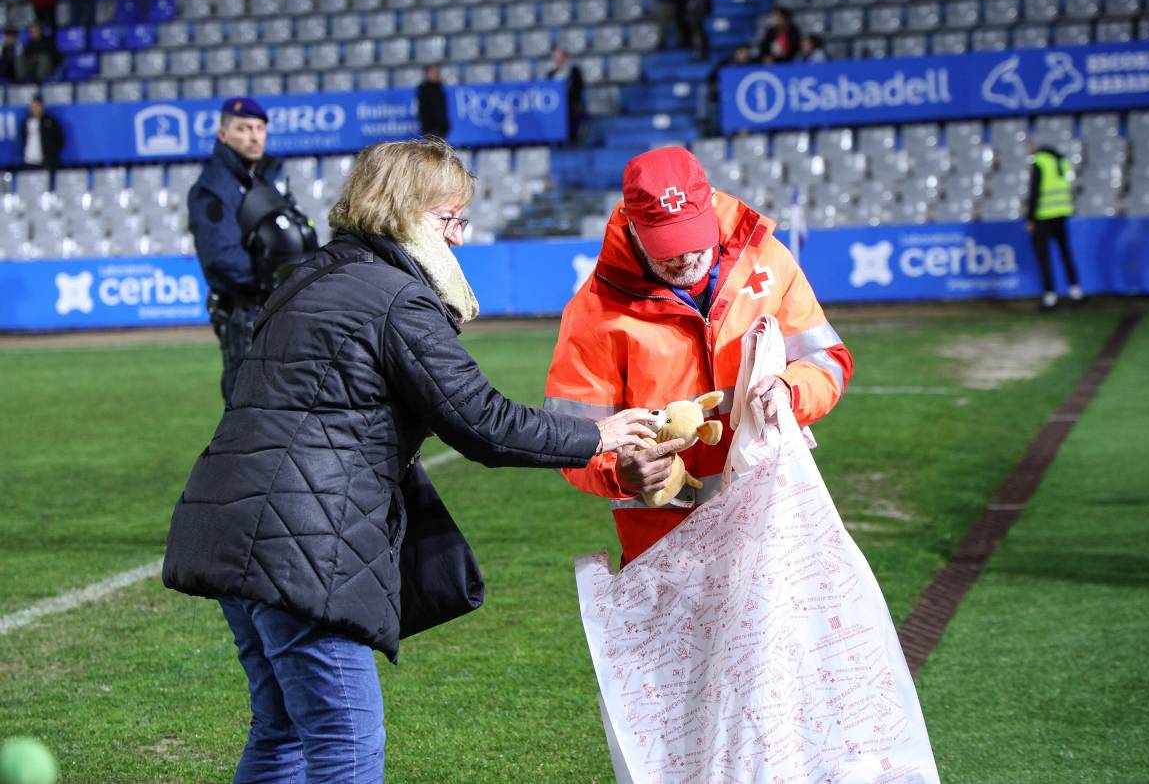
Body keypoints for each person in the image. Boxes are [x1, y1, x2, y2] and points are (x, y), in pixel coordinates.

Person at [162, 138, 655, 784]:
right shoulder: (397, 296)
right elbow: (484, 422)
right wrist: (600, 434)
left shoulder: (309, 275)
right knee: (346, 745)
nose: (458, 238)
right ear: (404, 211)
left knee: (281, 730)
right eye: (449, 219)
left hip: (227, 522)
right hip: (303, 542)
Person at [544, 147, 854, 566]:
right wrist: (617, 472)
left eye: (691, 236)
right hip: (665, 550)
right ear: (633, 229)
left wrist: (791, 390)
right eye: (665, 244)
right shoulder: (592, 314)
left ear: (710, 203)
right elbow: (570, 437)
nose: (683, 256)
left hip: (774, 526)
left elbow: (828, 360)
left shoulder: (768, 259)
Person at [187, 97, 285, 404]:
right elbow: (222, 259)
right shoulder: (213, 187)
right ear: (223, 135)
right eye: (243, 128)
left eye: (259, 128)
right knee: (250, 408)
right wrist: (276, 283)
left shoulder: (268, 179)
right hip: (245, 311)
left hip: (274, 305)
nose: (254, 136)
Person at [1026, 145, 1084, 310]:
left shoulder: (1039, 162)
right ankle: (1075, 291)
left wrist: (1030, 218)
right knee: (1065, 252)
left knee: (1044, 257)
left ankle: (1050, 296)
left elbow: (1034, 192)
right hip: (1062, 213)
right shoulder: (1062, 161)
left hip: (1043, 216)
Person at [17, 94, 64, 181]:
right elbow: (22, 139)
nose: (35, 108)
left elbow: (60, 140)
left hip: (47, 161)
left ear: (42, 106)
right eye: (33, 106)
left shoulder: (50, 121)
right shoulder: (25, 122)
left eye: (37, 106)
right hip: (30, 161)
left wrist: (52, 154)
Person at [546, 47, 584, 145]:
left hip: (571, 102)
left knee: (570, 110)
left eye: (559, 57)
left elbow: (578, 86)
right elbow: (547, 89)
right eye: (556, 58)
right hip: (555, 105)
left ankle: (573, 140)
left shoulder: (574, 71)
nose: (557, 60)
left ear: (565, 58)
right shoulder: (551, 74)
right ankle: (557, 141)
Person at [416, 64, 449, 140]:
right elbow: (423, 110)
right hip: (430, 130)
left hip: (440, 130)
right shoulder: (424, 90)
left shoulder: (440, 89)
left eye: (437, 72)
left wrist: (444, 126)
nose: (436, 74)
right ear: (427, 74)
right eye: (433, 72)